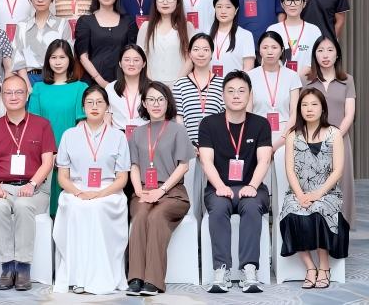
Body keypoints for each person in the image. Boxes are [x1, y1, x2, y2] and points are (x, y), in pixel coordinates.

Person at [197, 71, 273, 293]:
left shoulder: (260, 124)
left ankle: (249, 270)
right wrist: (220, 186)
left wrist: (252, 186)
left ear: (250, 95)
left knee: (252, 205)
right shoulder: (209, 124)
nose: (236, 95)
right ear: (223, 95)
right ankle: (221, 271)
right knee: (219, 207)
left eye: (241, 91)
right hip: (218, 187)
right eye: (230, 91)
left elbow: (264, 159)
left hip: (253, 187)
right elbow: (206, 161)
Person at [53, 86, 132, 295]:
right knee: (78, 207)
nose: (94, 107)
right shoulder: (69, 135)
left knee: (97, 208)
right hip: (76, 189)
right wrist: (79, 193)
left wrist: (98, 194)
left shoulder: (118, 137)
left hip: (108, 191)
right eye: (89, 102)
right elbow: (62, 177)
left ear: (107, 107)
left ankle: (102, 275)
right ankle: (77, 276)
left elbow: (122, 178)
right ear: (83, 107)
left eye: (99, 102)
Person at [0, 74, 55, 291]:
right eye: (8, 92)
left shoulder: (42, 125)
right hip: (3, 187)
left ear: (27, 95)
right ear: (2, 97)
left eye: (19, 92)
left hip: (35, 189)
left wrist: (31, 184)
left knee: (23, 205)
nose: (13, 97)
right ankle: (7, 267)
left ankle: (23, 267)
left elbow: (48, 162)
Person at [124, 81, 194, 296]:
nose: (156, 104)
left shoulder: (178, 130)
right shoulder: (137, 133)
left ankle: (153, 281)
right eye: (151, 99)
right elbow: (134, 165)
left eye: (160, 99)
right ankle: (135, 277)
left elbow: (183, 166)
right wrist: (138, 191)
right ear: (144, 103)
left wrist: (161, 191)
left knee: (156, 217)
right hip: (144, 190)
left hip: (172, 193)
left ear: (167, 103)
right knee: (140, 216)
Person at [279, 88, 348, 290]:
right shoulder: (293, 135)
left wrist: (318, 194)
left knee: (319, 212)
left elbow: (338, 171)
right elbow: (290, 170)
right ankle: (310, 267)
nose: (309, 109)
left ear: (323, 108)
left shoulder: (334, 133)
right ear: (299, 109)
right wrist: (300, 195)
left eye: (314, 104)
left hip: (328, 193)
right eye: (304, 105)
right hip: (298, 193)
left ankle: (324, 267)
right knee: (292, 213)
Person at [29, 40, 89, 206]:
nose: (57, 62)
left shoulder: (80, 87)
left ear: (70, 59)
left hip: (72, 152)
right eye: (53, 57)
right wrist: (49, 153)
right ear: (47, 60)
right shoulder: (38, 88)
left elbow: (82, 124)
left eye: (62, 57)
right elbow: (34, 124)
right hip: (43, 152)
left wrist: (63, 153)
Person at [302, 37, 356, 220]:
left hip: (339, 139)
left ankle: (341, 226)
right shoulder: (305, 80)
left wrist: (334, 137)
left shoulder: (347, 80)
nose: (325, 55)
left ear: (337, 54)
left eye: (330, 50)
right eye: (320, 50)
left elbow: (349, 113)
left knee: (341, 183)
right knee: (313, 183)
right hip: (311, 141)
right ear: (314, 55)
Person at [74, 0, 139, 86]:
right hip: (92, 83)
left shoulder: (129, 21)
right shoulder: (85, 21)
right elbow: (83, 57)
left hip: (122, 82)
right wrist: (101, 81)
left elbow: (132, 53)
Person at [175, 34, 229, 144]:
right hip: (189, 147)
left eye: (206, 50)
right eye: (196, 49)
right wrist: (187, 145)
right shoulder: (180, 85)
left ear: (212, 53)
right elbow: (178, 119)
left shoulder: (223, 84)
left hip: (216, 145)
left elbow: (226, 117)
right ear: (189, 54)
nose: (201, 54)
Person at [251, 32, 305, 136]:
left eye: (274, 47)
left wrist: (284, 137)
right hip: (257, 133)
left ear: (282, 50)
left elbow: (294, 112)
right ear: (259, 51)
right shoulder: (250, 76)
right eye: (265, 47)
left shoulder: (292, 76)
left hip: (286, 133)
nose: (269, 52)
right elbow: (248, 112)